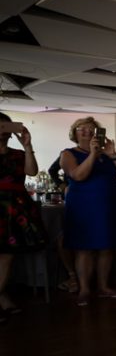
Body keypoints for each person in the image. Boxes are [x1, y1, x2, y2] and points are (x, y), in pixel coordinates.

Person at [61, 116, 116, 306]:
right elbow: (78, 175)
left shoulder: (107, 154)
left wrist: (113, 154)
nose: (86, 131)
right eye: (81, 129)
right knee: (84, 249)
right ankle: (84, 289)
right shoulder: (68, 154)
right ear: (74, 133)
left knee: (106, 247)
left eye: (90, 129)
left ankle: (103, 287)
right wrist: (93, 154)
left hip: (107, 205)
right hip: (83, 207)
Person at [0, 115, 47, 317]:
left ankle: (1, 296)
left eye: (4, 126)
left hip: (15, 208)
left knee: (7, 254)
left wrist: (28, 146)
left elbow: (32, 171)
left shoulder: (19, 154)